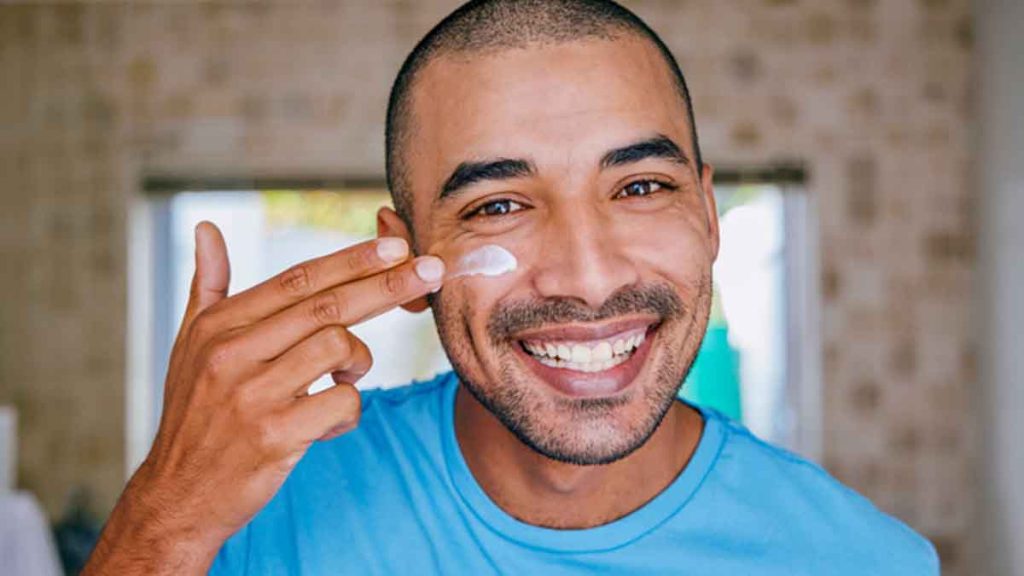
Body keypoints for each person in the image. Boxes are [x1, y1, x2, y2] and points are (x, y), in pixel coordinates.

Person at [83, 1, 939, 574]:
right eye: (498, 204)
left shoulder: (865, 560)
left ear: (708, 216)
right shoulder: (257, 512)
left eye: (640, 186)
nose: (589, 275)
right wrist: (167, 512)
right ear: (404, 257)